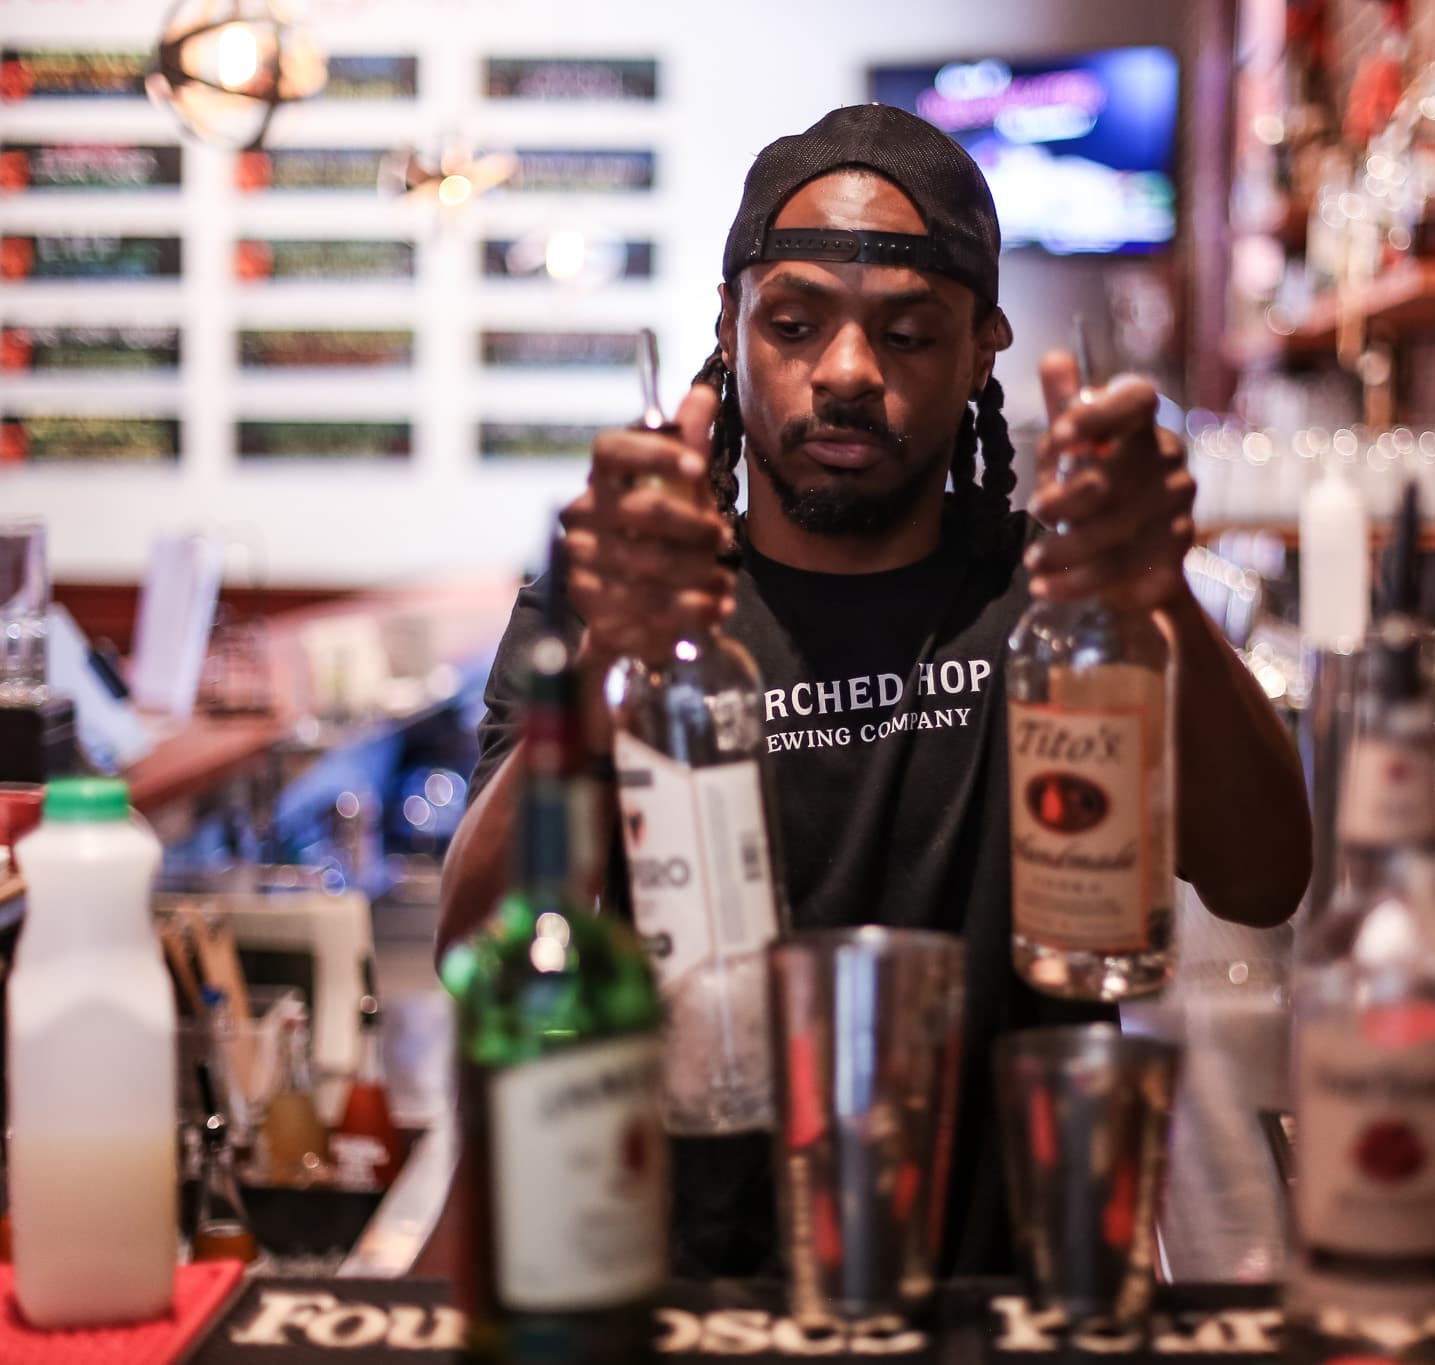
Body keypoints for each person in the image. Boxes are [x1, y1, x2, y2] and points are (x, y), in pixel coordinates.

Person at [438, 104, 1311, 1277]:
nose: (844, 373)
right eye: (794, 324)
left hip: (1018, 1293)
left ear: (979, 350)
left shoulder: (1056, 596)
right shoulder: (619, 606)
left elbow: (1264, 880)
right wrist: (605, 668)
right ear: (730, 327)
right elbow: (475, 946)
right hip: (693, 1295)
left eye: (905, 335)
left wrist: (1157, 598)